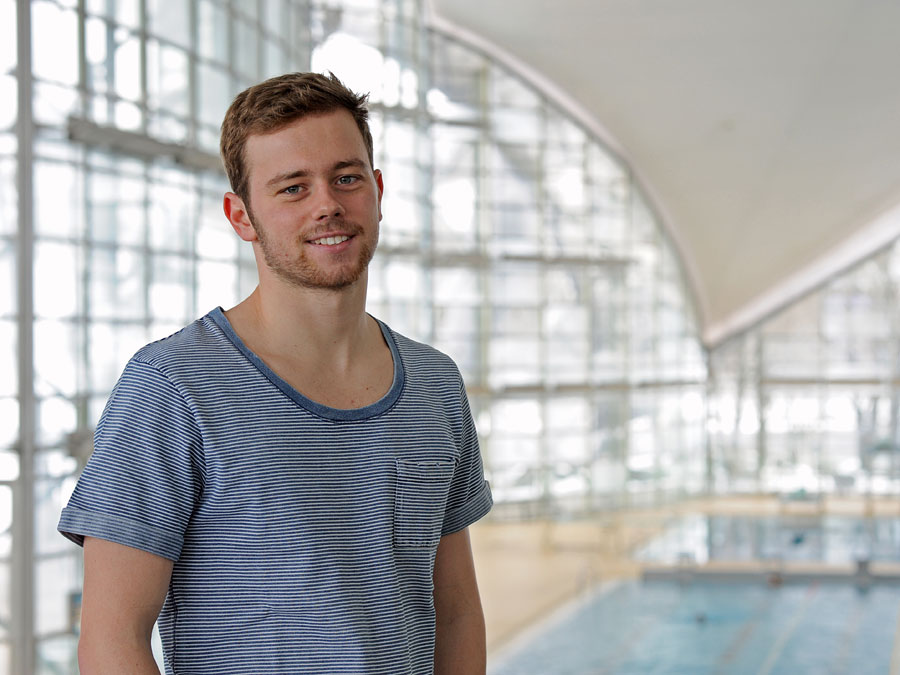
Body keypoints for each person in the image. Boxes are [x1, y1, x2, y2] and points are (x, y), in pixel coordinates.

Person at [58, 71, 493, 674]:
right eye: (293, 188)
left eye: (347, 177)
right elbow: (111, 641)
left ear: (379, 190)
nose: (328, 205)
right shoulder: (171, 386)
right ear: (242, 216)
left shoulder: (435, 383)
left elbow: (457, 613)